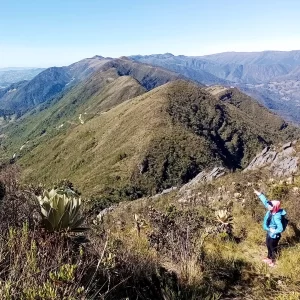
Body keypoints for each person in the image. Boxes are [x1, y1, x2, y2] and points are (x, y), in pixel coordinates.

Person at [253, 189, 287, 267]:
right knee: (268, 245)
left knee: (273, 247)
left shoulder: (277, 217)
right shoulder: (271, 210)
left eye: (270, 205)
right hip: (269, 232)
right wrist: (259, 194)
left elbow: (280, 228)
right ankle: (269, 258)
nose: (268, 206)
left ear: (274, 207)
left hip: (274, 235)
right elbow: (265, 202)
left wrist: (274, 231)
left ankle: (273, 261)